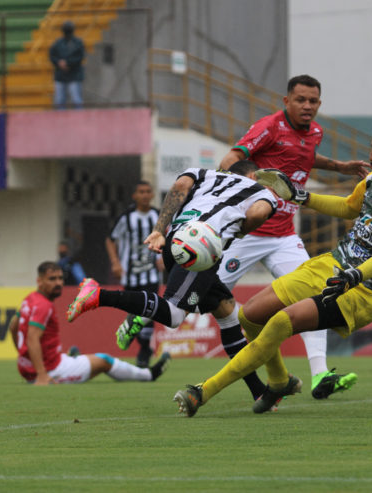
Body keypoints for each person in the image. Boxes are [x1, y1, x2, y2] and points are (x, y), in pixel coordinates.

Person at [170, 119, 372, 417]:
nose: (370, 155)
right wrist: (300, 196)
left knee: (281, 322)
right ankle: (280, 381)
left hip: (366, 290)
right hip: (334, 265)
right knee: (250, 315)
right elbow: (348, 207)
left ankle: (202, 393)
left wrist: (353, 276)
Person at [67, 160, 280, 407]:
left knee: (228, 314)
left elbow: (180, 186)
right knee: (176, 315)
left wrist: (159, 230)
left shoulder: (204, 174)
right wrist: (239, 231)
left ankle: (260, 392)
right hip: (201, 247)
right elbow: (258, 213)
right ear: (253, 175)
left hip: (175, 240)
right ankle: (99, 295)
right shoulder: (261, 191)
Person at [216, 74, 370, 400]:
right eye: (300, 100)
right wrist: (223, 193)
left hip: (285, 235)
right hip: (248, 232)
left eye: (313, 101)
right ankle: (142, 319)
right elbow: (232, 158)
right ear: (286, 101)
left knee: (317, 297)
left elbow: (307, 157)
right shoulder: (269, 127)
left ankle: (320, 376)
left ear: (319, 104)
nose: (307, 106)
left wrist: (340, 167)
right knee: (201, 294)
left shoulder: (315, 132)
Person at [9, 261, 170, 385]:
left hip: (26, 368)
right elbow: (32, 338)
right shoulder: (44, 305)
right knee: (104, 361)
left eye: (60, 278)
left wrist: (25, 357)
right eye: (52, 279)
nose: (58, 283)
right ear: (39, 281)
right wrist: (42, 374)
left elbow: (13, 326)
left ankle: (73, 359)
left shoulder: (30, 299)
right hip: (52, 370)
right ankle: (148, 375)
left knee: (90, 364)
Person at [105, 181, 164, 367]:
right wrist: (115, 262)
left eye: (148, 191)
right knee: (134, 313)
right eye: (141, 192)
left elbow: (168, 237)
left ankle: (144, 350)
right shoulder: (126, 217)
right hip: (130, 274)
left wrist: (164, 257)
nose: (145, 195)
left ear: (152, 194)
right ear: (135, 196)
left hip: (151, 274)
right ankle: (144, 347)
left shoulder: (158, 216)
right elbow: (110, 239)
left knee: (149, 310)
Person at [49, 20, 84, 109]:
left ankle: (80, 119)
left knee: (76, 99)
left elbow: (80, 56)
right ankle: (61, 120)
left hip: (74, 75)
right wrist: (59, 62)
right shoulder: (58, 43)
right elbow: (52, 55)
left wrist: (68, 63)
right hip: (60, 75)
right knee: (59, 100)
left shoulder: (77, 42)